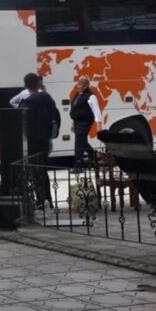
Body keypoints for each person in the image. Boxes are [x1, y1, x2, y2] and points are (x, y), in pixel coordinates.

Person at [20, 73, 61, 209]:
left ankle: (40, 200)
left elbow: (22, 121)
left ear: (26, 85)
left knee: (35, 171)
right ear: (38, 83)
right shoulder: (47, 98)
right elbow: (56, 116)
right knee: (43, 170)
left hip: (32, 141)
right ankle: (47, 199)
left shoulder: (26, 102)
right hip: (45, 140)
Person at [70, 77, 102, 165]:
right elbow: (75, 109)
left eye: (80, 84)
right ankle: (94, 156)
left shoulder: (91, 96)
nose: (78, 85)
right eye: (78, 83)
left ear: (86, 85)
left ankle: (78, 163)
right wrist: (73, 122)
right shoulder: (77, 95)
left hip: (85, 122)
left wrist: (99, 125)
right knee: (82, 141)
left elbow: (96, 110)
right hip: (77, 122)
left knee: (79, 142)